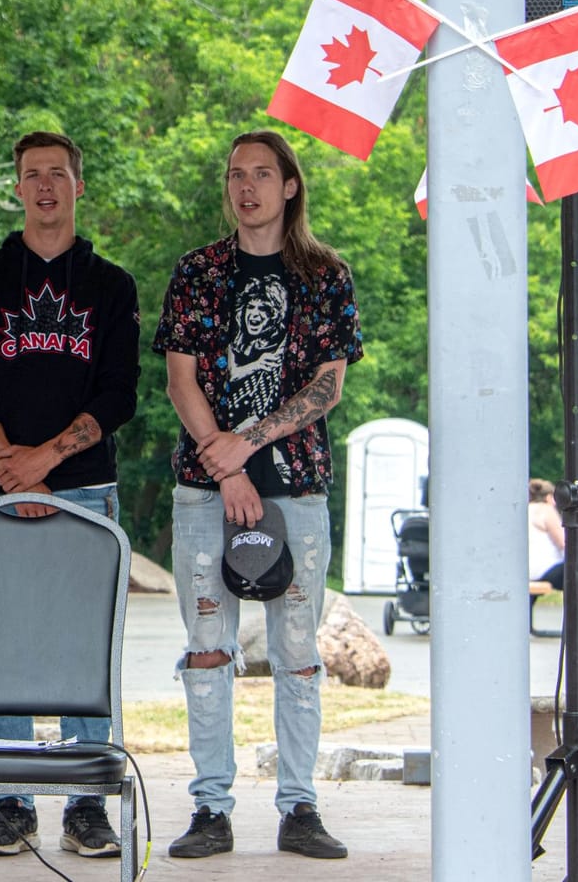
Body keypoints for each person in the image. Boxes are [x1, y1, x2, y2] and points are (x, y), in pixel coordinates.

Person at [153, 130, 361, 862]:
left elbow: (328, 384)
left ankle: (299, 806)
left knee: (298, 653)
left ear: (291, 185)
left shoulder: (326, 274)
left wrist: (254, 443)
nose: (247, 188)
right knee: (208, 650)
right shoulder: (198, 273)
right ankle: (211, 807)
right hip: (205, 491)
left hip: (298, 491)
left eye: (262, 174)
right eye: (236, 175)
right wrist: (229, 467)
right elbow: (181, 380)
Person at [0, 130, 138, 860]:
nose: (46, 186)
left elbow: (120, 392)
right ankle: (13, 801)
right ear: (17, 188)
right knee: (4, 644)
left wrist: (48, 462)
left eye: (58, 174)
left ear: (78, 187)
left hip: (84, 490)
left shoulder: (111, 286)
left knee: (86, 644)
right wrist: (11, 467)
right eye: (32, 175)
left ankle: (88, 802)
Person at [529, 478, 566, 585]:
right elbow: (563, 542)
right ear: (549, 497)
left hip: (525, 569)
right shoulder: (546, 510)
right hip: (545, 568)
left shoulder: (525, 509)